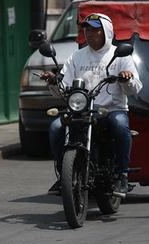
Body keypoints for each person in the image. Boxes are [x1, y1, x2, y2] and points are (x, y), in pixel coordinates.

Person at [41, 13, 142, 197]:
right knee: (56, 127)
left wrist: (126, 79)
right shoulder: (77, 57)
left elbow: (134, 88)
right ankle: (63, 173)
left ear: (106, 31)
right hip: (81, 110)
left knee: (121, 126)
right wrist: (53, 82)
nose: (89, 33)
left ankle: (122, 175)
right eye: (86, 29)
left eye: (95, 29)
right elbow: (63, 87)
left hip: (112, 110)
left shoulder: (119, 55)